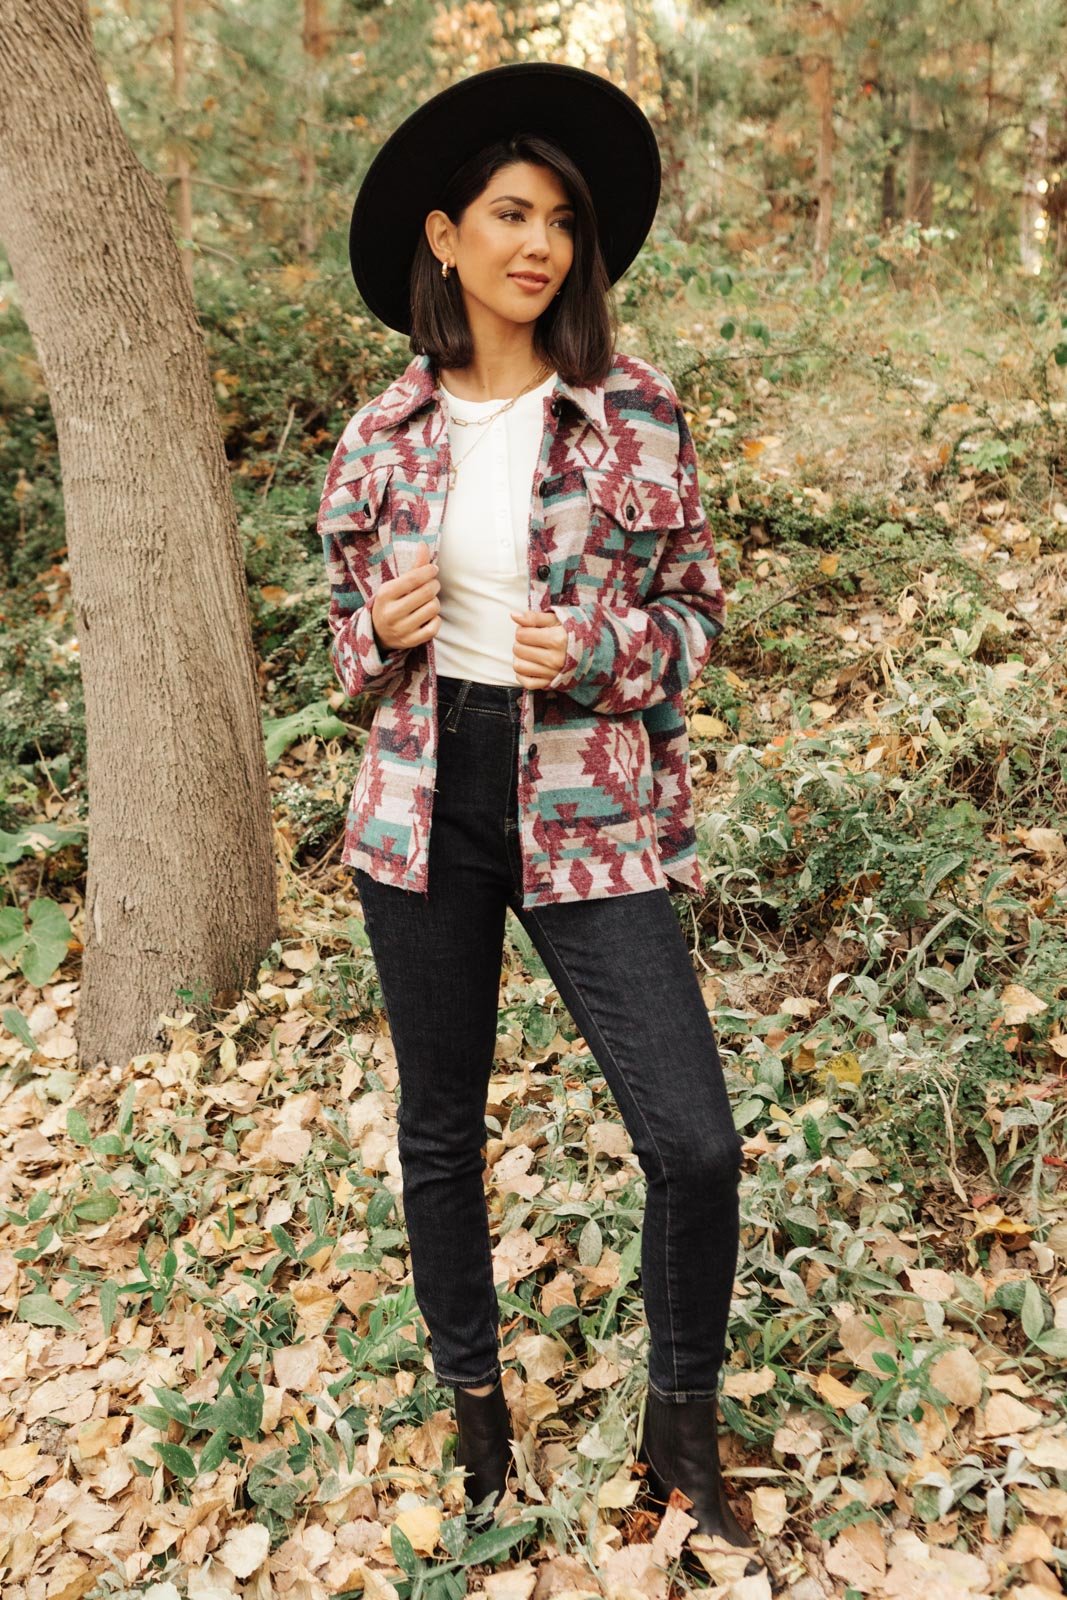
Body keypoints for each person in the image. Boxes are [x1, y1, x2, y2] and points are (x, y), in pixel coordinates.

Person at [320, 61, 760, 1576]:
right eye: (511, 215)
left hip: (588, 806)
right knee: (441, 1134)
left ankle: (681, 1449)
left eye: (563, 221)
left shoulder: (636, 411)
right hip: (421, 807)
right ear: (444, 238)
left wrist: (596, 650)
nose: (543, 246)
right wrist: (375, 633)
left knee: (694, 1145)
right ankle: (480, 1442)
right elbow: (339, 655)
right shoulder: (380, 436)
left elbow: (694, 617)